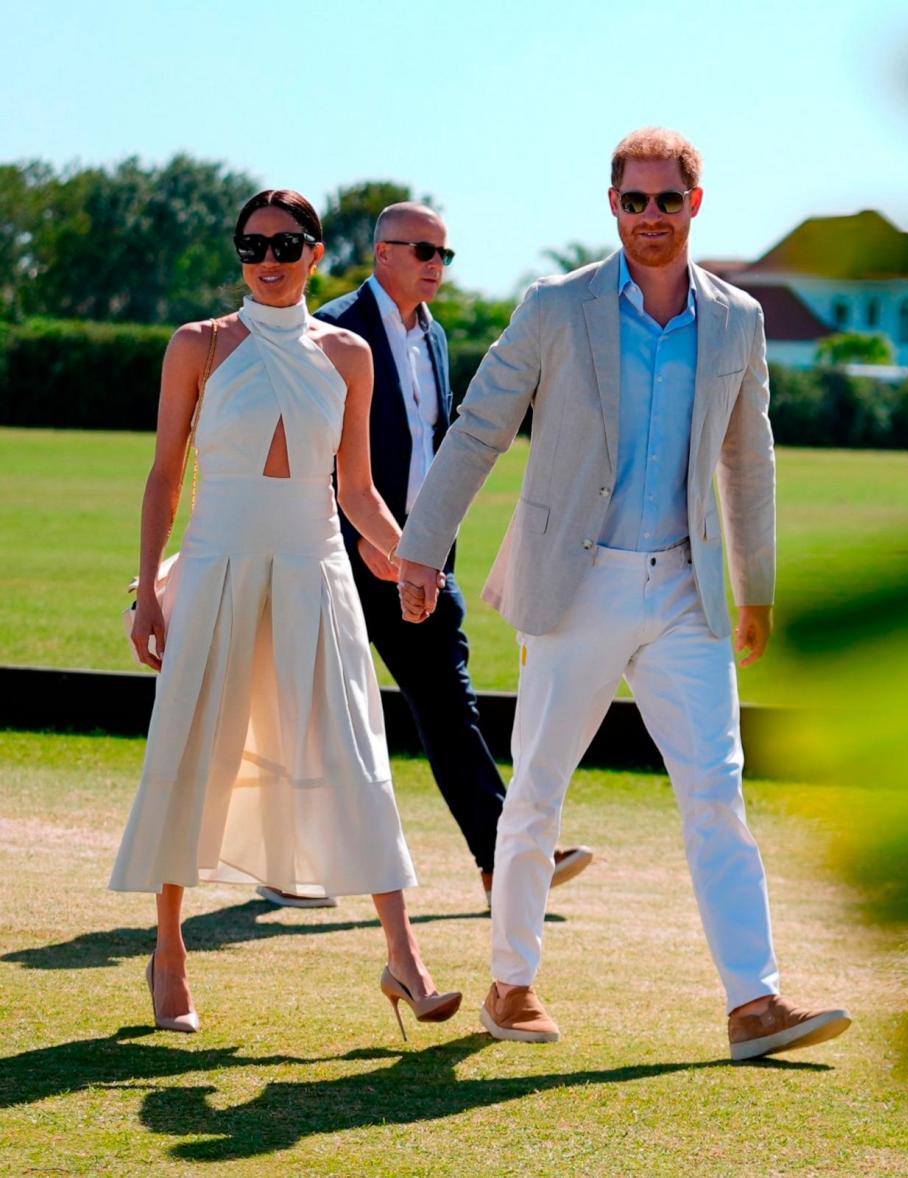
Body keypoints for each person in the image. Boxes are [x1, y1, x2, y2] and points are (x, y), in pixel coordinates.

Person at [396, 129, 851, 1059]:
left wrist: (754, 590)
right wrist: (421, 550)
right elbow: (481, 428)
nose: (652, 216)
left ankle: (753, 1004)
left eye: (667, 201)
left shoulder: (738, 319)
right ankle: (512, 984)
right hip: (578, 583)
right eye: (635, 201)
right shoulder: (555, 308)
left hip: (686, 590)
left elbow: (748, 459)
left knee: (718, 793)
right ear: (612, 206)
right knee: (537, 793)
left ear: (696, 202)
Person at [110, 189, 461, 1038]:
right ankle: (169, 953)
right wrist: (148, 588)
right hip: (219, 566)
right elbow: (165, 476)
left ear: (315, 253)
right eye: (253, 245)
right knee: (193, 747)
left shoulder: (347, 356)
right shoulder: (198, 345)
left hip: (317, 571)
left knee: (355, 750)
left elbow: (358, 491)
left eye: (286, 244)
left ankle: (404, 960)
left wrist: (410, 562)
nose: (268, 260)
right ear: (240, 254)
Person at [258, 201, 589, 912]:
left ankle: (502, 861)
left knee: (447, 699)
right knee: (320, 705)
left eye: (445, 255)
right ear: (382, 253)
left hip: (418, 555)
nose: (437, 267)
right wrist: (367, 543)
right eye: (424, 252)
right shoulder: (334, 330)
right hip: (336, 552)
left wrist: (422, 547)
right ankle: (286, 863)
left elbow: (436, 447)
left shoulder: (434, 337)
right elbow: (306, 454)